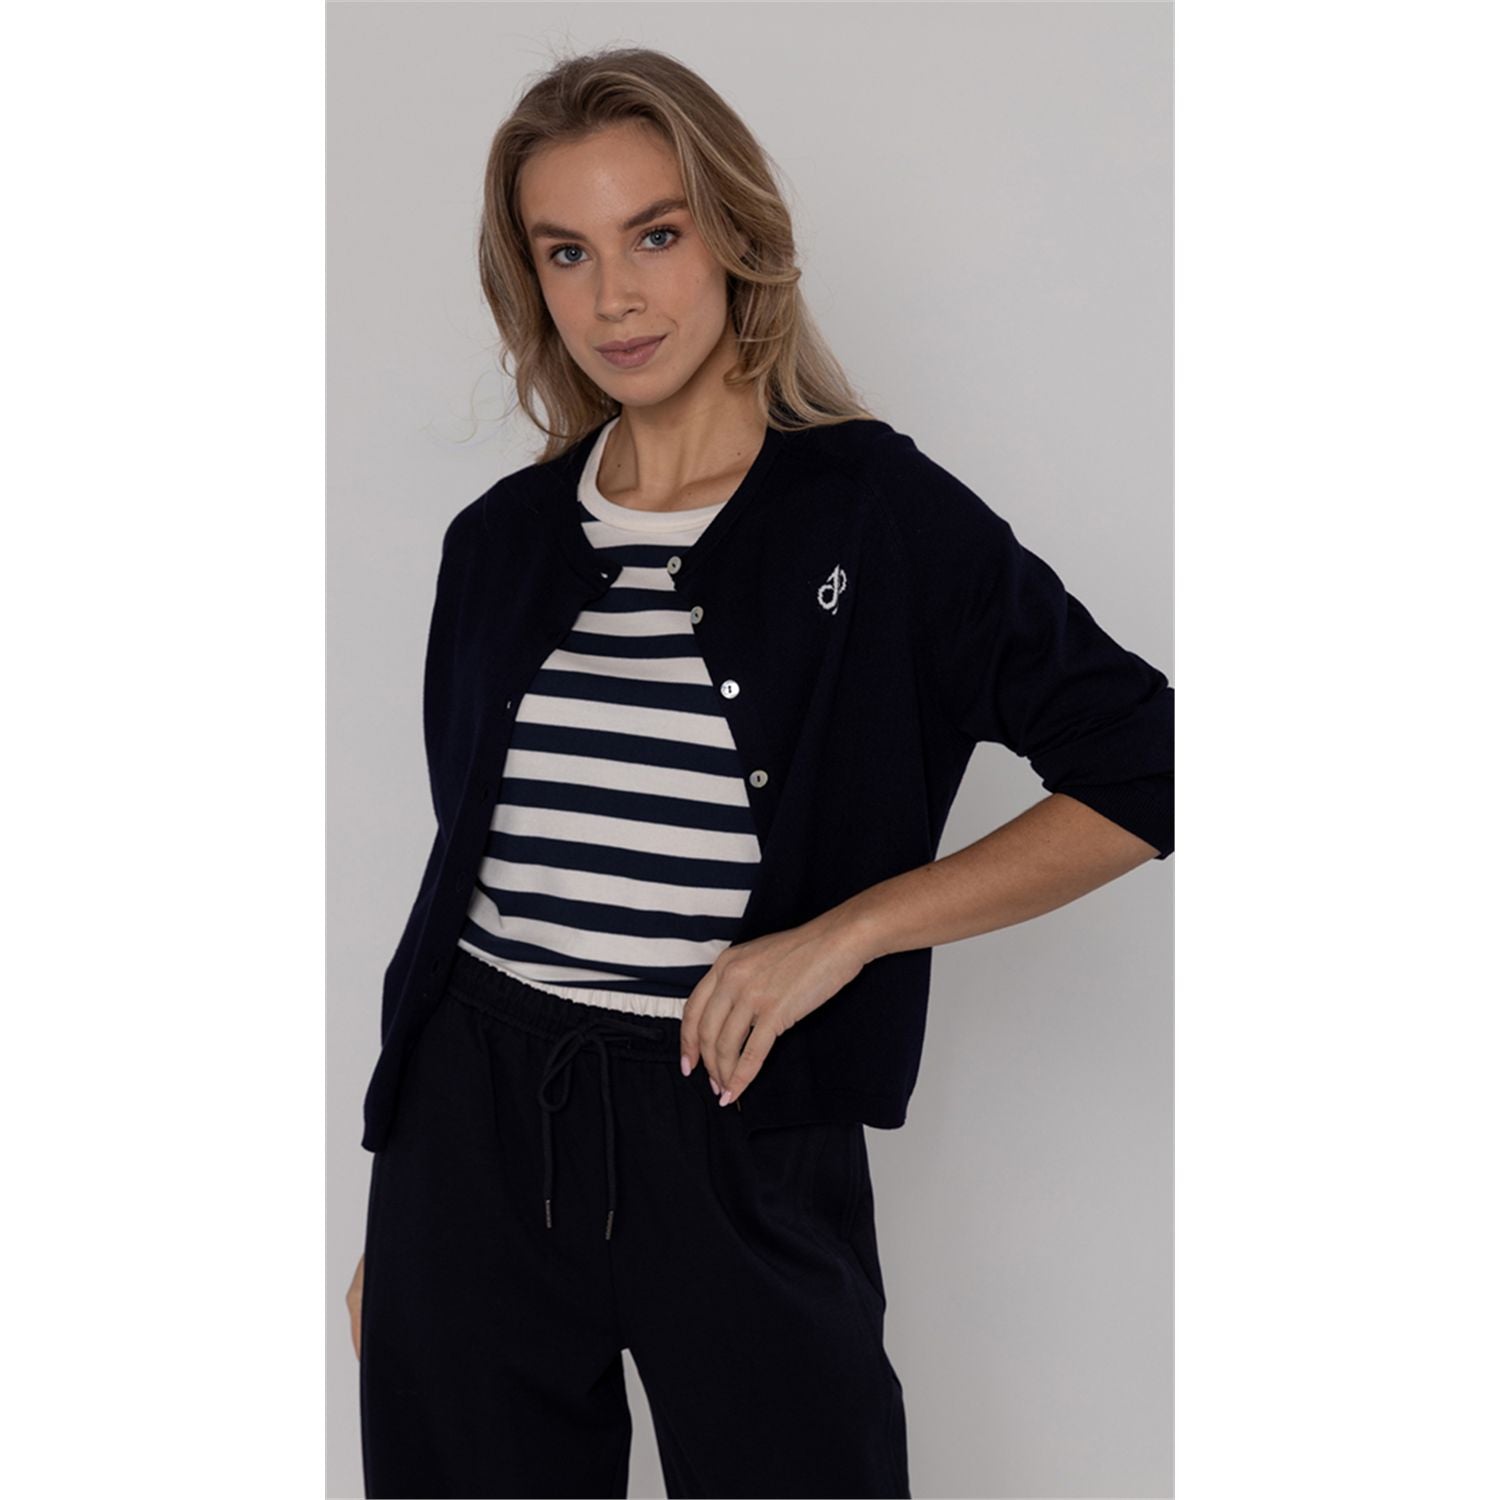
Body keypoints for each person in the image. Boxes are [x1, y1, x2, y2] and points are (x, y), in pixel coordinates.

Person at [347, 44, 1173, 1500]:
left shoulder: (878, 515)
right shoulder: (497, 546)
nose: (615, 296)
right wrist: (401, 1223)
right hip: (466, 1142)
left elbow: (1150, 763)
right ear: (529, 279)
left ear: (735, 236)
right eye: (567, 251)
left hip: (734, 1122)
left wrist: (840, 937)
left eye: (655, 234)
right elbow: (473, 876)